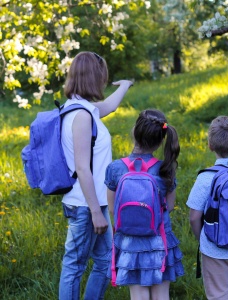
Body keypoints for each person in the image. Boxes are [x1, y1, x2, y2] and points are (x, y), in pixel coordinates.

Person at [59, 51, 133, 300]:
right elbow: (82, 167)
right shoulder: (80, 116)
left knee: (104, 262)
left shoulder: (84, 109)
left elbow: (109, 106)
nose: (104, 81)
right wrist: (95, 212)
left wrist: (125, 86)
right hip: (85, 205)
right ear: (93, 77)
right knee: (74, 266)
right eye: (102, 76)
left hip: (94, 201)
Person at [104, 109, 185, 300]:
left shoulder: (115, 168)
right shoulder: (166, 168)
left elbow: (111, 208)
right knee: (161, 295)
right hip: (160, 239)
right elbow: (170, 206)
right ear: (161, 140)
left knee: (138, 295)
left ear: (135, 131)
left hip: (129, 241)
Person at [186, 116, 228, 300]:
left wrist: (202, 239)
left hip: (214, 248)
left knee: (218, 295)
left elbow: (193, 217)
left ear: (210, 145)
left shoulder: (206, 178)